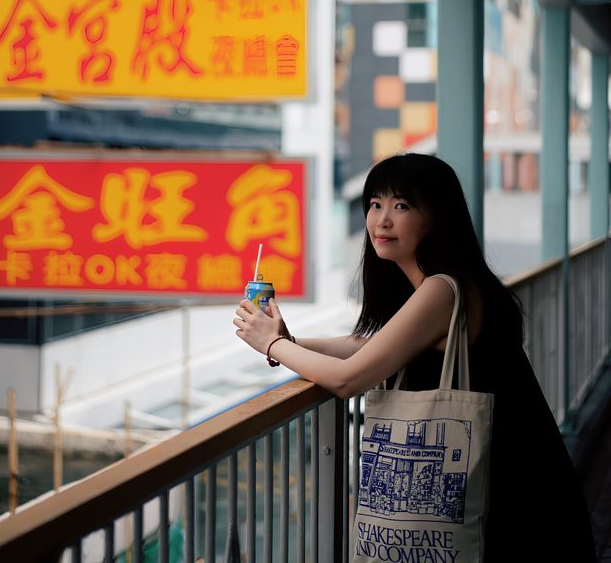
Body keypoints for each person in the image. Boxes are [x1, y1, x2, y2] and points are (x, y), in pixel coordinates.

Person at [233, 152, 597, 562]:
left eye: (401, 206)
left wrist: (271, 346)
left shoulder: (441, 290)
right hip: (515, 484)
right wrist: (291, 339)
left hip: (513, 506)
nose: (381, 220)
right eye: (375, 204)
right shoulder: (446, 284)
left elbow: (348, 379)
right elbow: (373, 347)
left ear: (437, 217)